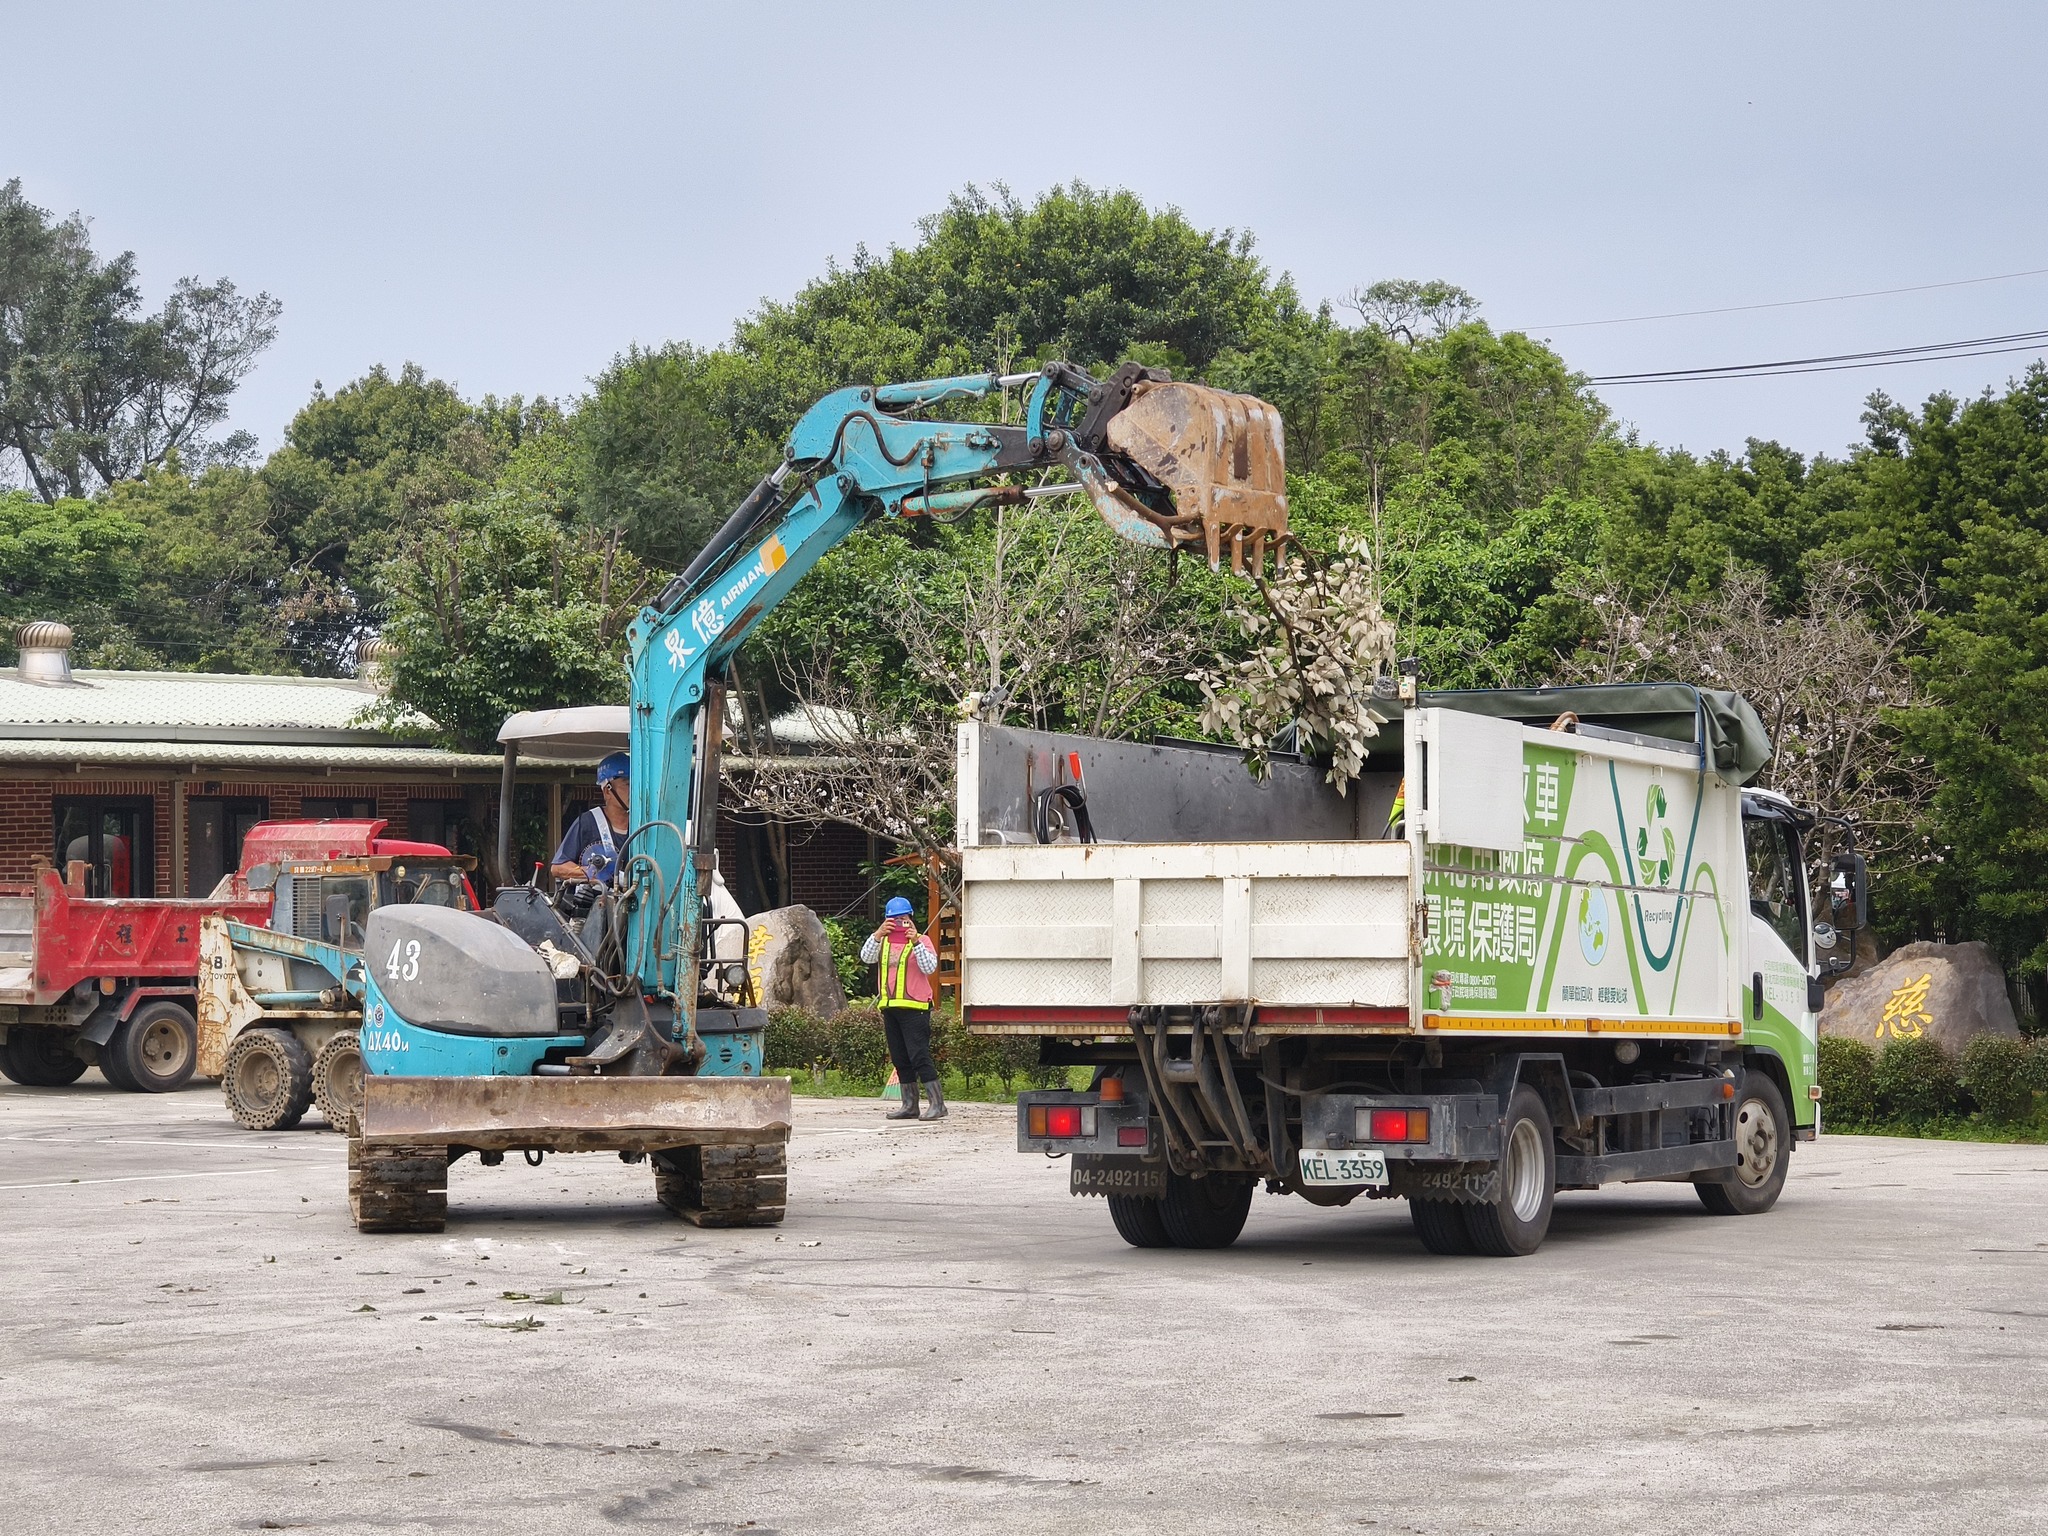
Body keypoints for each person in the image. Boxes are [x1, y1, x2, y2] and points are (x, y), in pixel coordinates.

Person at [862, 896, 943, 1121]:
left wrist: (915, 941)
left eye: (903, 918)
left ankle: (938, 1104)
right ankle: (909, 1105)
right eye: (894, 919)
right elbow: (866, 957)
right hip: (890, 1008)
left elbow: (929, 967)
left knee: (919, 1056)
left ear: (911, 918)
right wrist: (877, 934)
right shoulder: (883, 941)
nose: (899, 923)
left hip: (915, 1008)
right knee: (899, 1058)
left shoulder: (922, 940)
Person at [551, 752, 631, 885]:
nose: (633, 790)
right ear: (607, 791)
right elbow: (558, 867)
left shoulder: (641, 824)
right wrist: (592, 873)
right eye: (627, 784)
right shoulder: (588, 823)